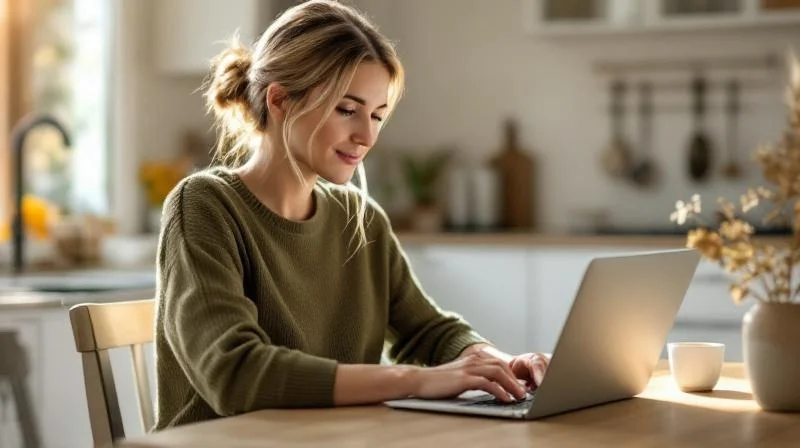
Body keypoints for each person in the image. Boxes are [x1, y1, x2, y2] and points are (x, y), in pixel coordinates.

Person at [153, 0, 550, 431]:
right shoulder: (204, 205)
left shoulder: (361, 218)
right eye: (347, 110)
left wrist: (499, 363)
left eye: (377, 115)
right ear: (280, 99)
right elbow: (234, 374)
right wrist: (416, 381)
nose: (366, 136)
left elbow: (428, 331)